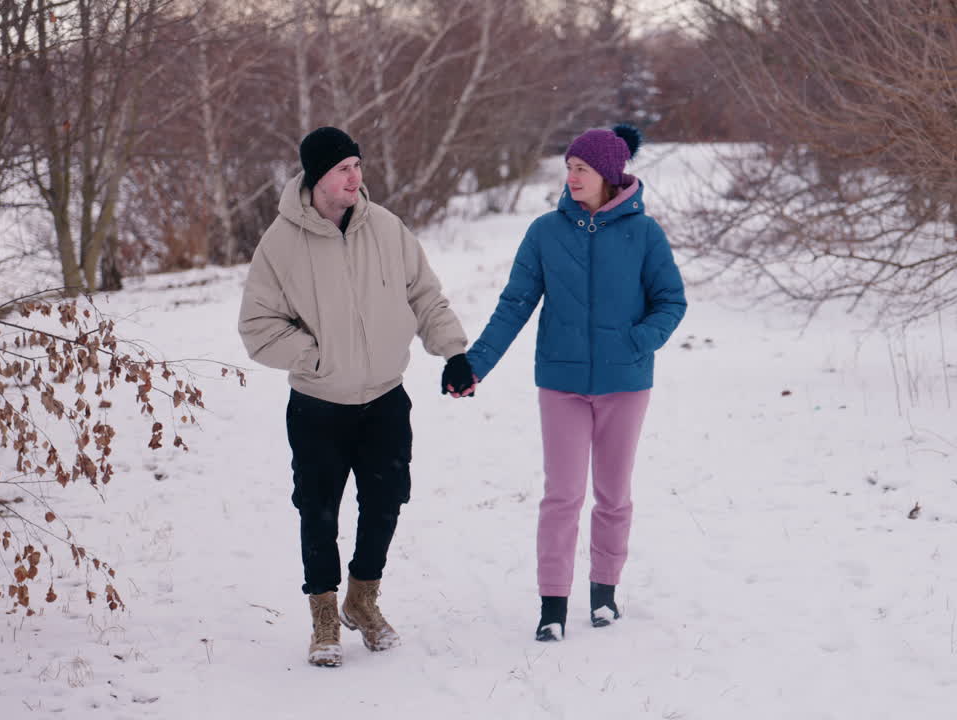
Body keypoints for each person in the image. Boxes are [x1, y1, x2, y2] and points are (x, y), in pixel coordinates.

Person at [237, 126, 475, 667]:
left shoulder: (387, 228)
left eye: (357, 166)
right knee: (318, 512)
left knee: (386, 504)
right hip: (319, 405)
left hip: (386, 399)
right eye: (344, 167)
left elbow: (425, 296)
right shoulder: (280, 243)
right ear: (317, 176)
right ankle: (324, 616)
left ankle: (362, 602)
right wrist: (316, 358)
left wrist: (453, 351)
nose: (355, 176)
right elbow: (257, 327)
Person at [466, 124, 687, 641]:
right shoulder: (546, 231)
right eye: (568, 167)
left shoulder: (644, 234)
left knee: (613, 496)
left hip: (625, 384)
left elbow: (671, 301)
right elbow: (515, 303)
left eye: (580, 169)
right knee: (562, 496)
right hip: (561, 383)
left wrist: (637, 342)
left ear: (609, 175)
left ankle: (604, 593)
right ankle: (552, 605)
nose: (571, 177)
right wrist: (475, 364)